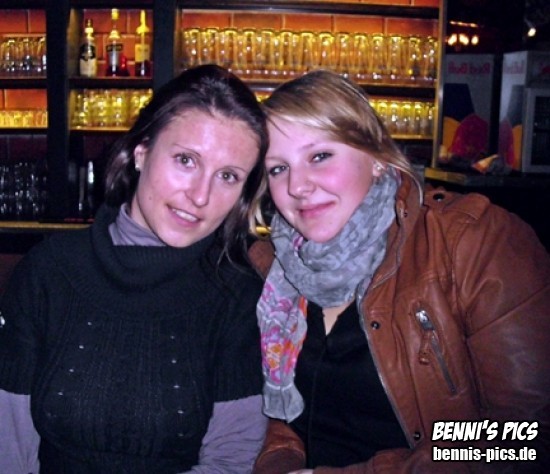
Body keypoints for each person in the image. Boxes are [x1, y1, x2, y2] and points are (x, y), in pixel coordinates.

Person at [250, 69, 550, 473]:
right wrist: (281, 461)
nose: (297, 186)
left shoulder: (471, 242)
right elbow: (280, 417)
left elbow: (524, 441)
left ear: (376, 158)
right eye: (277, 168)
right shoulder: (274, 268)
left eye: (320, 156)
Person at [0, 64, 269, 473]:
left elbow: (232, 458)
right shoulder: (49, 271)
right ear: (141, 152)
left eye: (228, 176)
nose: (200, 195)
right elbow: (8, 444)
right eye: (186, 160)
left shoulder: (237, 293)